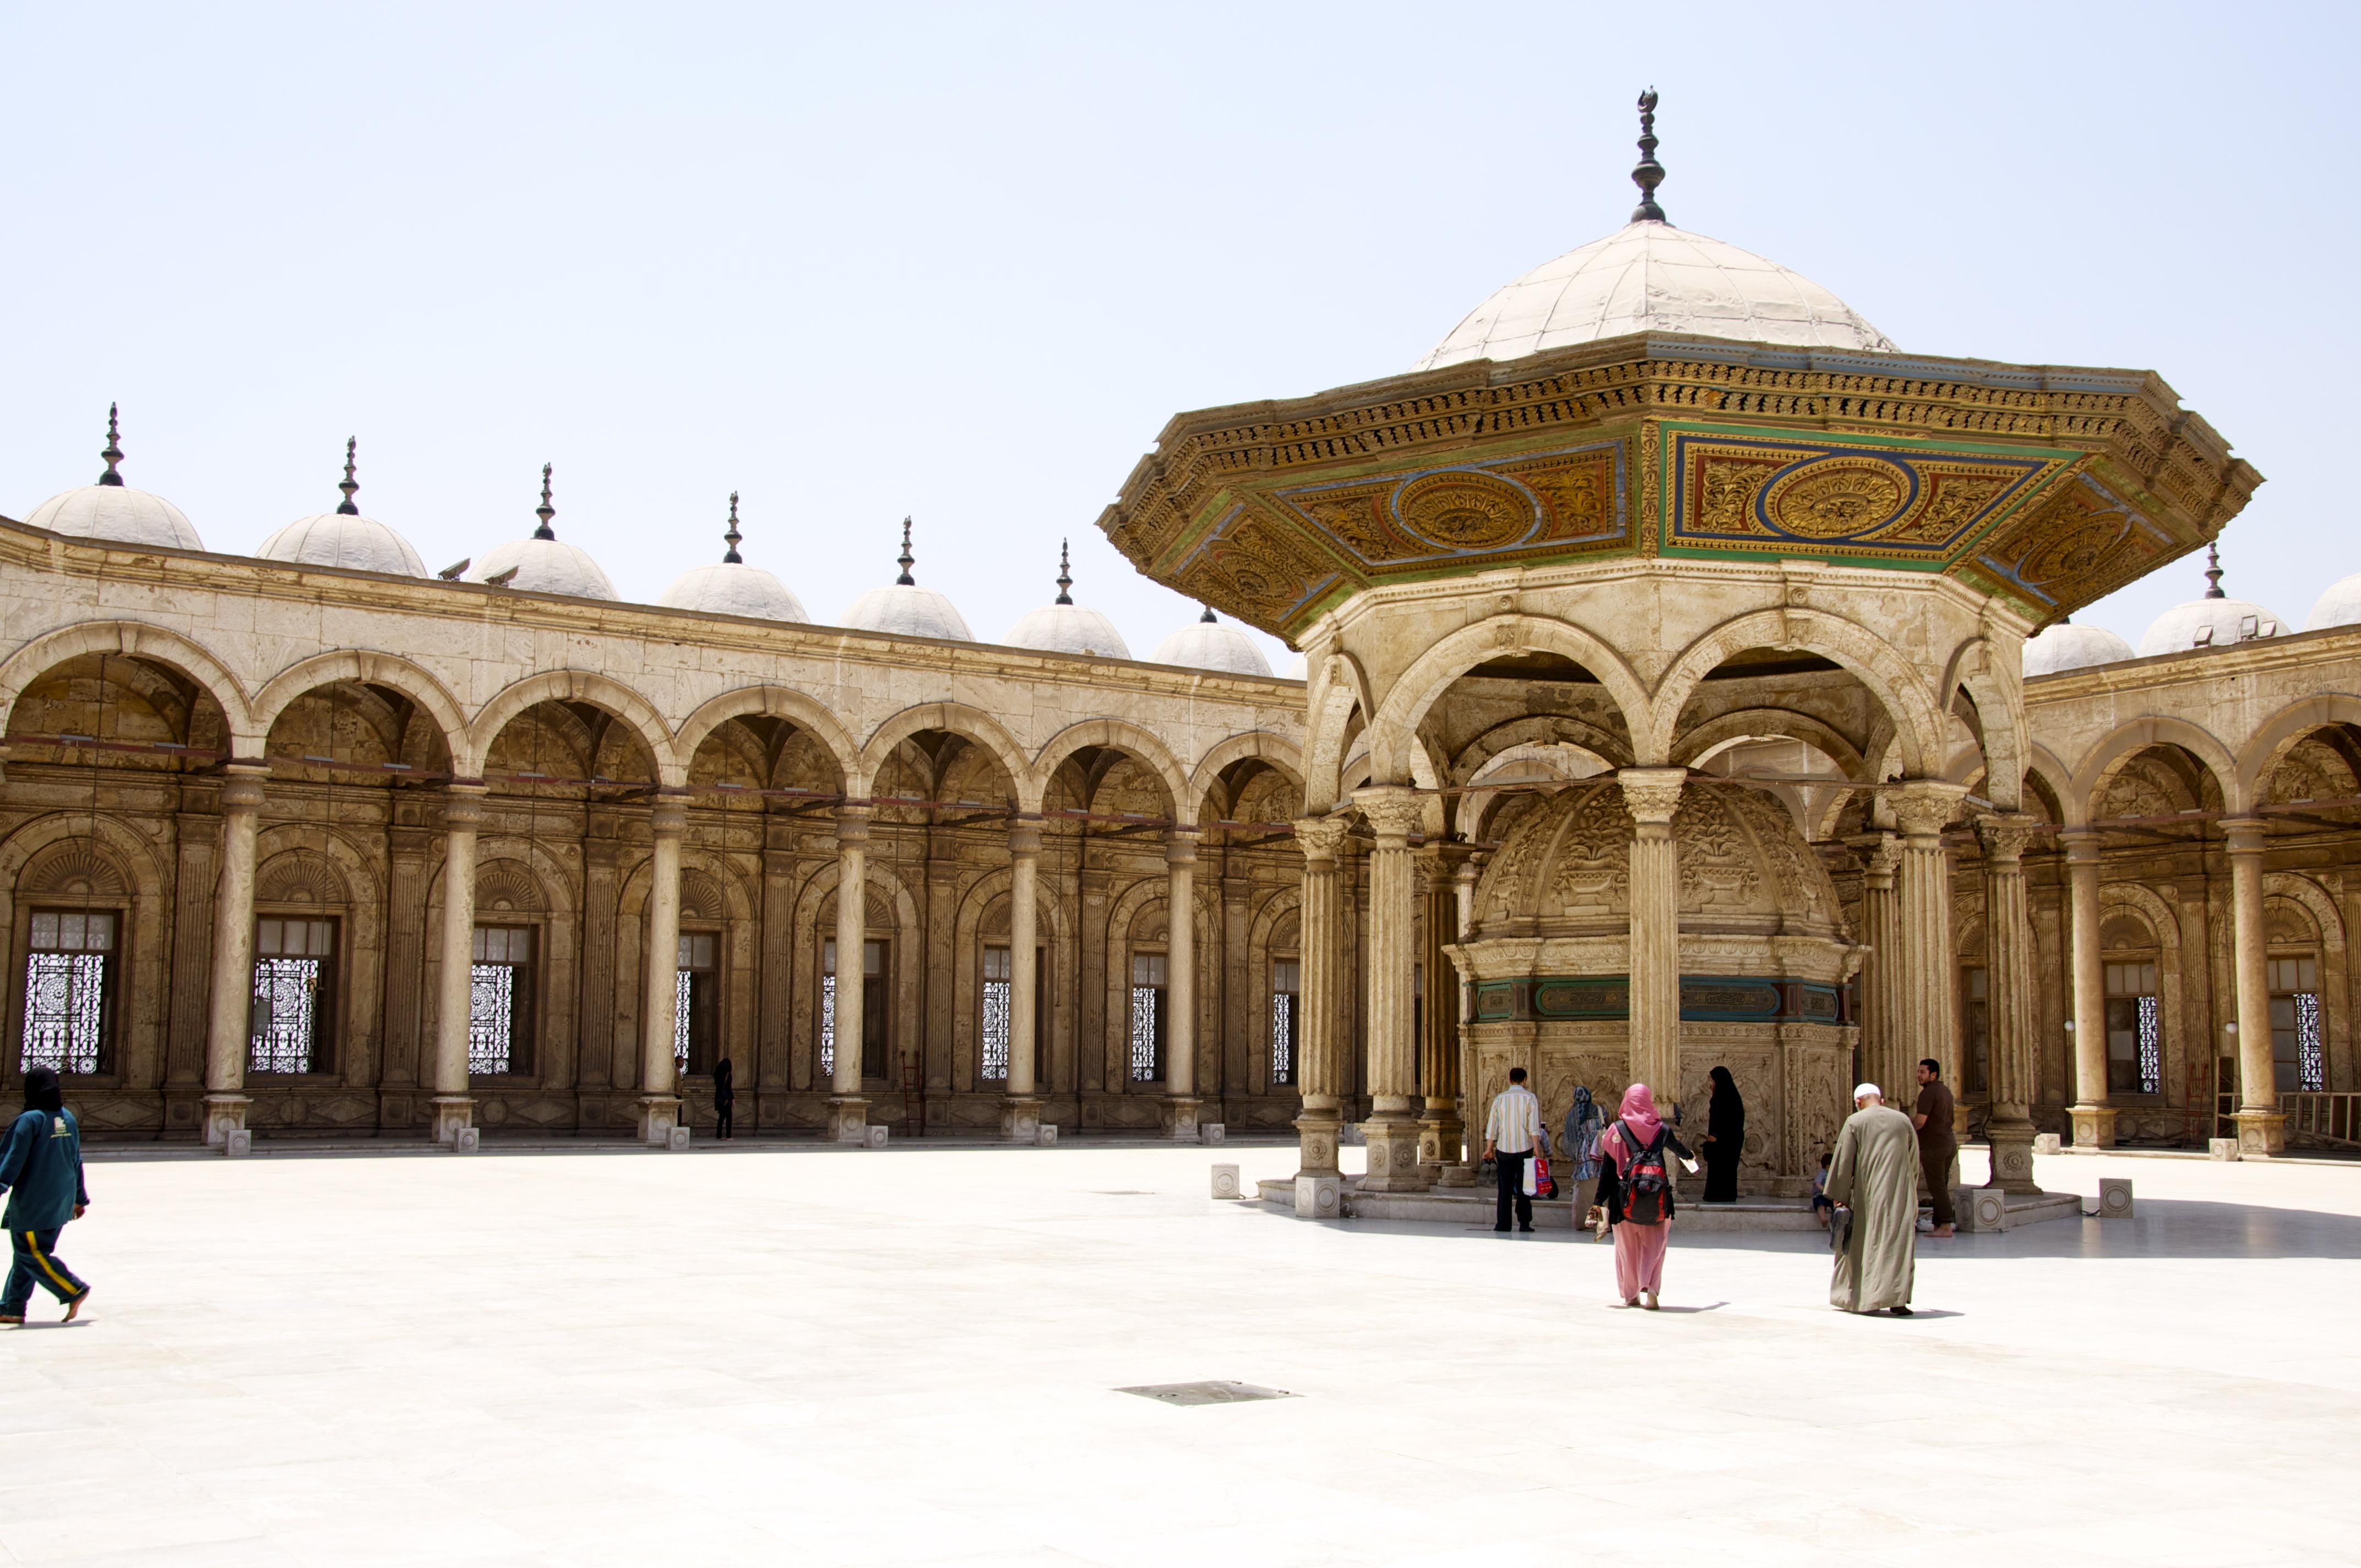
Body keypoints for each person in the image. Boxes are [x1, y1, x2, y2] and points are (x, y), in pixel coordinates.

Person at [0, 1066, 91, 1326]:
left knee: (30, 1253)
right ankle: (12, 1308)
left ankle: (73, 1289)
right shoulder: (67, 1119)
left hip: (34, 1203)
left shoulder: (30, 1120)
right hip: (60, 1201)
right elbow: (76, 1160)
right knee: (29, 1256)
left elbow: (12, 1160)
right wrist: (80, 1198)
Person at [1596, 1083, 1692, 1309]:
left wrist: (1598, 1203)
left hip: (1623, 1200)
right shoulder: (1662, 1130)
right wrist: (1692, 1159)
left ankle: (1632, 1295)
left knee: (1627, 1250)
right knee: (1656, 1246)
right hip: (1657, 1199)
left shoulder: (1616, 1131)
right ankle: (1651, 1290)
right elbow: (1682, 1152)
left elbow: (1607, 1173)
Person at [1826, 1082, 1918, 1316]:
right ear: (1882, 1100)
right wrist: (1909, 1191)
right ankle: (1898, 1300)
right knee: (1897, 1245)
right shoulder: (1903, 1121)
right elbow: (1914, 1160)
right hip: (1900, 1194)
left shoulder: (1855, 1122)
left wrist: (1841, 1197)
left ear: (1858, 1102)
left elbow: (1844, 1163)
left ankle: (1868, 1299)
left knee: (1864, 1244)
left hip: (1868, 1195)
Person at [1483, 1066, 1542, 1234]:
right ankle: (1524, 1223)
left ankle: (1503, 1224)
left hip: (1504, 1149)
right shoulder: (1530, 1098)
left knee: (1504, 1188)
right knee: (1525, 1187)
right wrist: (1537, 1150)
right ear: (1525, 1081)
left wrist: (1489, 1149)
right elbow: (1534, 1128)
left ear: (1509, 1080)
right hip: (1525, 1149)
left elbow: (1492, 1126)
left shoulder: (1500, 1099)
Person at [1911, 1058, 1957, 1238]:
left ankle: (1945, 1225)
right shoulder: (1945, 1091)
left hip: (1934, 1147)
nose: (1919, 1076)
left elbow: (1921, 1122)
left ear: (1933, 1074)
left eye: (1923, 1072)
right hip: (1948, 1143)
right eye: (1918, 1071)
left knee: (1937, 1187)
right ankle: (1939, 1225)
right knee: (1941, 1186)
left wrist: (1906, 1130)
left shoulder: (1929, 1093)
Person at [1562, 1085, 1606, 1235]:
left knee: (1585, 1192)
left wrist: (1575, 1154)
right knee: (1600, 1190)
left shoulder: (1572, 1115)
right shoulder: (1600, 1110)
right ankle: (1602, 1222)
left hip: (1582, 1159)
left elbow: (1568, 1140)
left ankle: (1584, 1222)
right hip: (1599, 1157)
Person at [1701, 1065, 1745, 1203]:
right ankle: (1725, 1194)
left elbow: (1722, 1118)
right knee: (1727, 1168)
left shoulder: (1723, 1097)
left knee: (1721, 1168)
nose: (1711, 1083)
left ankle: (1718, 1195)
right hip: (1731, 1139)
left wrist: (1715, 1134)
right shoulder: (1730, 1095)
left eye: (1712, 1079)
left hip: (1722, 1140)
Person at [712, 1057, 736, 1141]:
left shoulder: (718, 1075)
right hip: (727, 1099)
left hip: (720, 1098)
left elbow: (719, 1088)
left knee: (722, 1117)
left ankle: (719, 1135)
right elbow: (728, 1088)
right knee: (729, 1117)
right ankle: (728, 1136)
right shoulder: (728, 1075)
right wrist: (732, 1099)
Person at [1810, 1152, 1835, 1227]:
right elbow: (1817, 1183)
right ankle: (1823, 1219)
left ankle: (1835, 1220)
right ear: (1828, 1166)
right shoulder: (1822, 1173)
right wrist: (1824, 1190)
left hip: (1829, 1196)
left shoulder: (1832, 1174)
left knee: (1835, 1205)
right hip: (1820, 1195)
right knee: (1821, 1205)